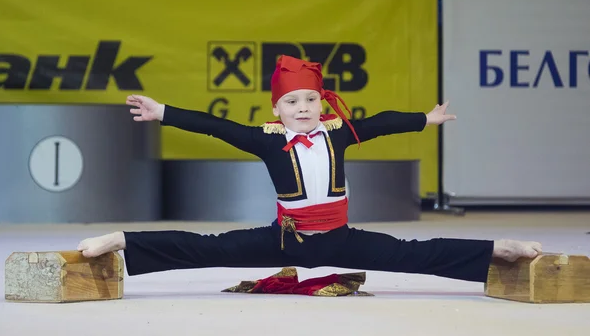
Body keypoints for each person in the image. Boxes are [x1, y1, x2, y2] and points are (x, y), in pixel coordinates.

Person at [77, 55, 542, 291]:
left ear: (323, 103)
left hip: (340, 237)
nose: (303, 109)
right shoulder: (267, 138)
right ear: (277, 109)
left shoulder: (338, 132)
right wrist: (163, 112)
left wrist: (426, 119)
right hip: (285, 239)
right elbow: (216, 127)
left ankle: (496, 251)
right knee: (207, 248)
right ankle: (123, 240)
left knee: (414, 254)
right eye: (293, 103)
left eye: (310, 101)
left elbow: (381, 124)